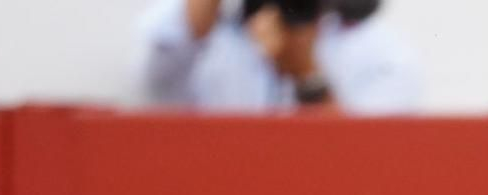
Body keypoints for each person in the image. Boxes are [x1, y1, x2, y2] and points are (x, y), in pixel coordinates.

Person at [138, 0, 421, 114]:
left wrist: (306, 74)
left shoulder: (381, 52)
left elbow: (361, 162)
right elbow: (157, 87)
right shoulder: (210, 28)